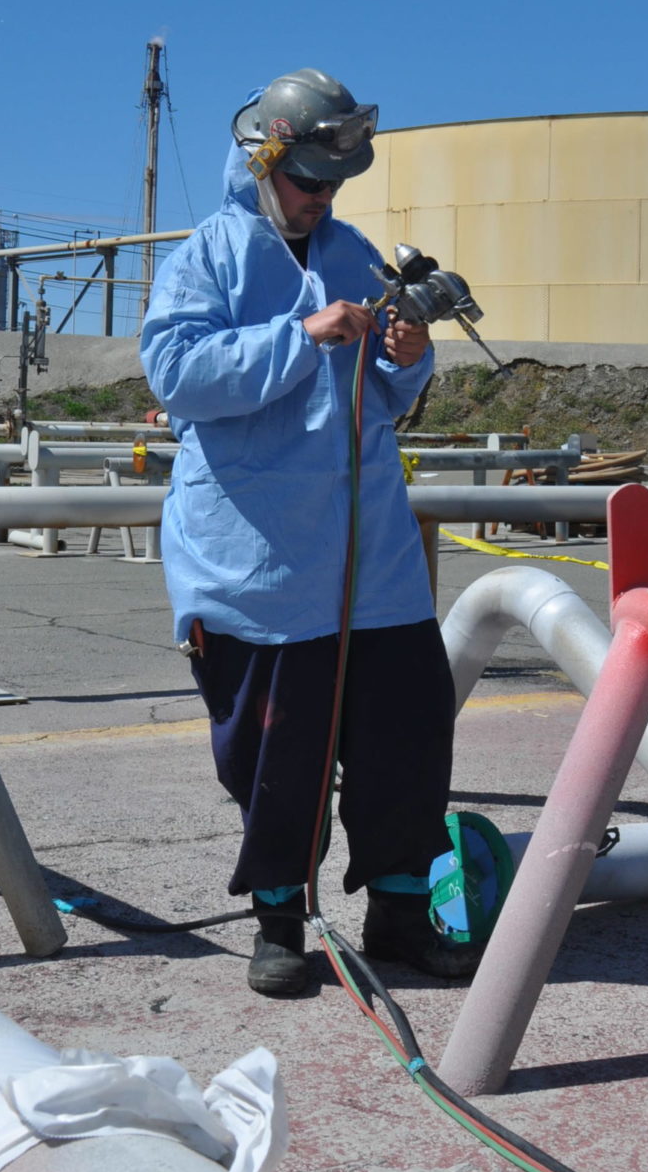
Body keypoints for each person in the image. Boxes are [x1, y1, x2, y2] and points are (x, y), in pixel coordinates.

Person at [141, 69, 479, 997]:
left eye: (335, 182)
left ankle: (401, 914)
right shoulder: (206, 255)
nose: (322, 197)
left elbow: (380, 390)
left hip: (372, 559)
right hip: (259, 559)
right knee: (276, 750)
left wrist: (408, 358)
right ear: (265, 161)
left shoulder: (350, 249)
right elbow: (178, 375)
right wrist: (306, 331)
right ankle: (280, 920)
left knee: (404, 736)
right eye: (309, 179)